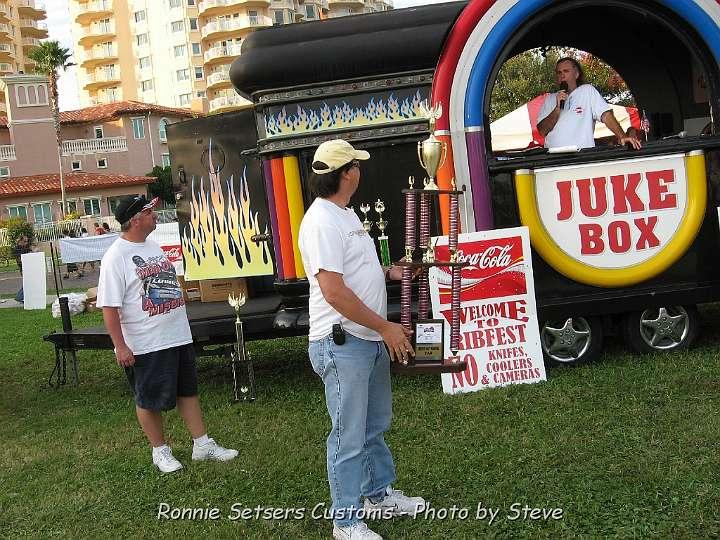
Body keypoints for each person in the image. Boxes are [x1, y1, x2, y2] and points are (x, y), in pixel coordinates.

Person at [298, 139, 426, 540]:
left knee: (373, 426)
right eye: (357, 165)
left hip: (364, 338)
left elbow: (355, 271)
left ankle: (377, 495)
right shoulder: (321, 221)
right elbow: (333, 291)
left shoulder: (345, 214)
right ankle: (346, 522)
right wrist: (387, 327)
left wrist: (392, 273)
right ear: (347, 173)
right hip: (342, 343)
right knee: (348, 434)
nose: (360, 170)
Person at [96, 195, 237, 473]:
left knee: (188, 391)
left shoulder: (151, 245)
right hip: (146, 343)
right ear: (135, 220)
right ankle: (160, 451)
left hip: (176, 335)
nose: (155, 215)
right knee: (148, 399)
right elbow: (109, 307)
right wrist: (120, 346)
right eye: (150, 211)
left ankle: (202, 444)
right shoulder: (116, 257)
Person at [537, 57, 641, 150]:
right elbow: (542, 131)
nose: (562, 75)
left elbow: (605, 115)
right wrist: (557, 109)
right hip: (552, 160)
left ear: (576, 74)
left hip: (581, 156)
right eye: (559, 72)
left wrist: (622, 136)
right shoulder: (549, 99)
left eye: (566, 71)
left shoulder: (587, 91)